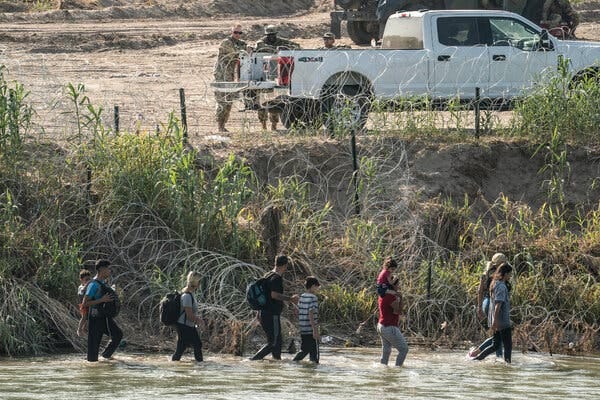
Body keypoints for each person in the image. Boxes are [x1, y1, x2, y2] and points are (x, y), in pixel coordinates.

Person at [250, 254, 297, 360]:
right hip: (272, 315)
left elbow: (264, 296)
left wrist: (259, 312)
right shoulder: (276, 278)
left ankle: (277, 362)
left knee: (277, 342)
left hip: (264, 313)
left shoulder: (268, 275)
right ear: (285, 265)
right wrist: (290, 299)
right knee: (274, 342)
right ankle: (253, 360)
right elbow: (274, 295)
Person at [254, 25, 301, 131]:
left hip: (277, 73)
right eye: (269, 35)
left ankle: (274, 125)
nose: (271, 37)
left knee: (273, 102)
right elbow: (261, 47)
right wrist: (277, 50)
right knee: (262, 102)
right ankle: (263, 125)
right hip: (263, 74)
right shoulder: (261, 42)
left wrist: (286, 49)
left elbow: (296, 46)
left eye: (273, 35)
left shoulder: (280, 41)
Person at [471, 263, 513, 363]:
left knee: (495, 345)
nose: (510, 276)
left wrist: (494, 320)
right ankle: (508, 365)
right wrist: (495, 321)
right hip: (502, 321)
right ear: (505, 274)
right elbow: (497, 305)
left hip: (497, 320)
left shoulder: (495, 283)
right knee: (508, 346)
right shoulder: (502, 287)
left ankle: (477, 359)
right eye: (510, 274)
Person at [82, 259, 123, 362]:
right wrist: (102, 300)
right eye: (108, 269)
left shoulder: (103, 283)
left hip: (104, 318)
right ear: (101, 269)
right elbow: (85, 303)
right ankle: (93, 367)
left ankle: (105, 356)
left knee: (118, 334)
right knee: (92, 355)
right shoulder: (93, 284)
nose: (110, 271)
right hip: (95, 320)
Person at [214, 24, 248, 132]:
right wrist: (246, 49)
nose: (237, 35)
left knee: (229, 101)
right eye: (235, 32)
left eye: (239, 33)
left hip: (230, 75)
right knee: (222, 101)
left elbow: (246, 50)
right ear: (231, 32)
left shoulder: (240, 43)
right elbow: (237, 52)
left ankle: (223, 125)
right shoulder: (226, 42)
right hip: (221, 74)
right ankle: (220, 126)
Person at [376, 257, 408, 367]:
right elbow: (398, 310)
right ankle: (398, 370)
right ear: (393, 285)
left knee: (386, 351)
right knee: (404, 349)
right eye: (398, 285)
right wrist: (401, 298)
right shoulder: (390, 297)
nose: (399, 287)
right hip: (389, 327)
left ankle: (383, 369)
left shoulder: (383, 296)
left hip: (381, 326)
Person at [172, 271, 204, 362]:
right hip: (184, 326)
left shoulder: (190, 294)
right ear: (195, 282)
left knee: (182, 348)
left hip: (187, 326)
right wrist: (200, 321)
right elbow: (189, 315)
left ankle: (174, 365)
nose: (200, 284)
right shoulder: (187, 296)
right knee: (197, 345)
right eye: (199, 281)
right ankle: (200, 366)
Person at [293, 276, 320, 363]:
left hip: (303, 327)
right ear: (312, 286)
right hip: (309, 328)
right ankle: (293, 362)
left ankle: (314, 366)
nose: (317, 289)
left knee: (313, 351)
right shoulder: (313, 298)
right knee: (306, 349)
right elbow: (311, 314)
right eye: (316, 287)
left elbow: (297, 311)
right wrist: (314, 330)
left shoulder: (302, 297)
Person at [77, 269, 92, 337]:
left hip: (87, 304)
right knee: (84, 317)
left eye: (89, 279)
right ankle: (79, 330)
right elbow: (83, 290)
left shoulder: (88, 286)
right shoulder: (81, 287)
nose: (88, 281)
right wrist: (88, 283)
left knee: (88, 318)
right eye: (86, 279)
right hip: (82, 305)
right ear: (81, 280)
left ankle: (84, 329)